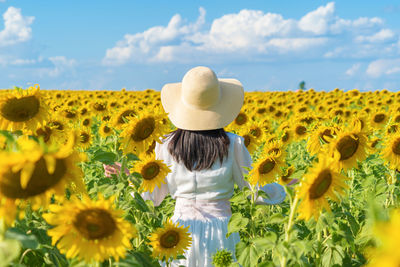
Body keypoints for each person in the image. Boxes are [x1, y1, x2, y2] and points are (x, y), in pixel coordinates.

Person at [106, 66, 287, 266]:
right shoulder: (233, 143)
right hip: (222, 231)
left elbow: (152, 197)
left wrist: (127, 178)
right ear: (219, 104)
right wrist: (283, 188)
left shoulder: (165, 144)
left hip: (177, 233)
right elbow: (254, 192)